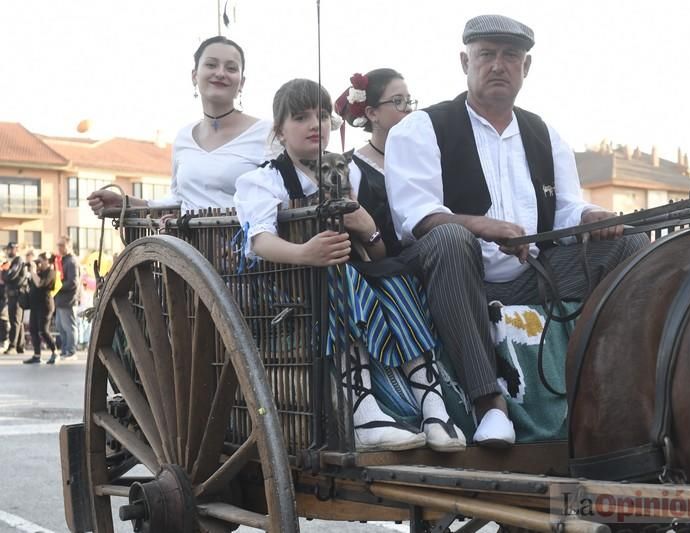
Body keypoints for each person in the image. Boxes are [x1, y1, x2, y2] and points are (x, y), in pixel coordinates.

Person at [385, 15, 649, 447]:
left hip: (530, 279)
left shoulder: (544, 133)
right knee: (452, 238)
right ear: (464, 61)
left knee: (630, 243)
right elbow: (417, 217)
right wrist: (478, 226)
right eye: (486, 54)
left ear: (525, 69)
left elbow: (564, 210)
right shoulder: (423, 127)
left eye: (510, 57)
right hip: (447, 277)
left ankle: (621, 387)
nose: (498, 65)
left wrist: (587, 217)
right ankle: (489, 404)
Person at [235, 78, 466, 452]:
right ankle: (363, 409)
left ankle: (432, 401)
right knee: (341, 278)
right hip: (285, 285)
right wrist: (305, 253)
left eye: (323, 116)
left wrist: (369, 228)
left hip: (347, 272)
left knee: (397, 279)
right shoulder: (263, 180)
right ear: (279, 130)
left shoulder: (349, 172)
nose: (315, 124)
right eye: (300, 117)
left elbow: (374, 253)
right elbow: (259, 241)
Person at [87, 36, 273, 216]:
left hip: (246, 246)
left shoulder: (267, 133)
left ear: (242, 82)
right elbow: (178, 200)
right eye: (211, 65)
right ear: (194, 76)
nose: (220, 73)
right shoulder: (184, 136)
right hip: (188, 246)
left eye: (231, 68)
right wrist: (124, 202)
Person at [334, 69, 416, 257]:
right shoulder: (352, 168)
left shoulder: (424, 157)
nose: (409, 108)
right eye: (398, 101)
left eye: (409, 100)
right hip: (383, 274)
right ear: (372, 113)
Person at [23, 253, 58, 364]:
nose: (39, 263)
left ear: (47, 261)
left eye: (41, 261)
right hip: (35, 305)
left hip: (45, 306)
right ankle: (37, 355)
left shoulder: (51, 273)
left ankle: (55, 352)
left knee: (43, 330)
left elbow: (39, 284)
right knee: (33, 329)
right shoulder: (39, 272)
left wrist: (33, 271)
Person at [54, 236, 79, 358]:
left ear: (68, 246)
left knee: (69, 327)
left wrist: (57, 286)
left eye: (62, 245)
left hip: (68, 299)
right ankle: (64, 350)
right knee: (60, 326)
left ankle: (71, 351)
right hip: (60, 299)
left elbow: (73, 282)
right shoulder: (63, 260)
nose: (59, 247)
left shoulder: (72, 261)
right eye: (58, 245)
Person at [2, 242, 28, 355]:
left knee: (15, 321)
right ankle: (20, 345)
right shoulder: (13, 262)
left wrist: (4, 272)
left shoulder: (18, 261)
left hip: (17, 295)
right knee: (18, 321)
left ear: (16, 249)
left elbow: (10, 275)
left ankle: (13, 345)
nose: (8, 251)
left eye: (10, 249)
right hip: (13, 295)